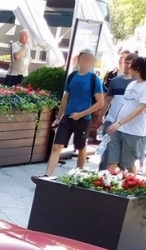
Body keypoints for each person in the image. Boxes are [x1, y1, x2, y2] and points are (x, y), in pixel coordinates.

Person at [39, 50, 104, 178]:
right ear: (79, 60)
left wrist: (81, 114)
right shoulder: (72, 76)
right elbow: (65, 97)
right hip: (67, 118)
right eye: (83, 59)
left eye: (88, 59)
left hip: (83, 119)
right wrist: (58, 117)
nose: (85, 62)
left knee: (81, 148)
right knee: (57, 146)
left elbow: (100, 103)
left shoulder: (94, 79)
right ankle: (47, 176)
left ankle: (78, 175)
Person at [103, 56, 146, 171]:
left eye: (132, 67)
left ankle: (130, 186)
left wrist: (119, 123)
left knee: (128, 164)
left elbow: (140, 109)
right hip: (119, 129)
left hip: (134, 132)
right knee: (111, 162)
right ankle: (111, 185)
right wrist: (116, 123)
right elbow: (125, 105)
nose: (129, 68)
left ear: (139, 69)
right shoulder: (131, 84)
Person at [98, 53, 135, 168]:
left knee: (122, 157)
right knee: (106, 153)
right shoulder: (115, 81)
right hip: (111, 119)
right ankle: (100, 179)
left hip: (127, 123)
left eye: (131, 63)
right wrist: (100, 117)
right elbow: (108, 100)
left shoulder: (138, 83)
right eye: (126, 63)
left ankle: (115, 181)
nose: (128, 65)